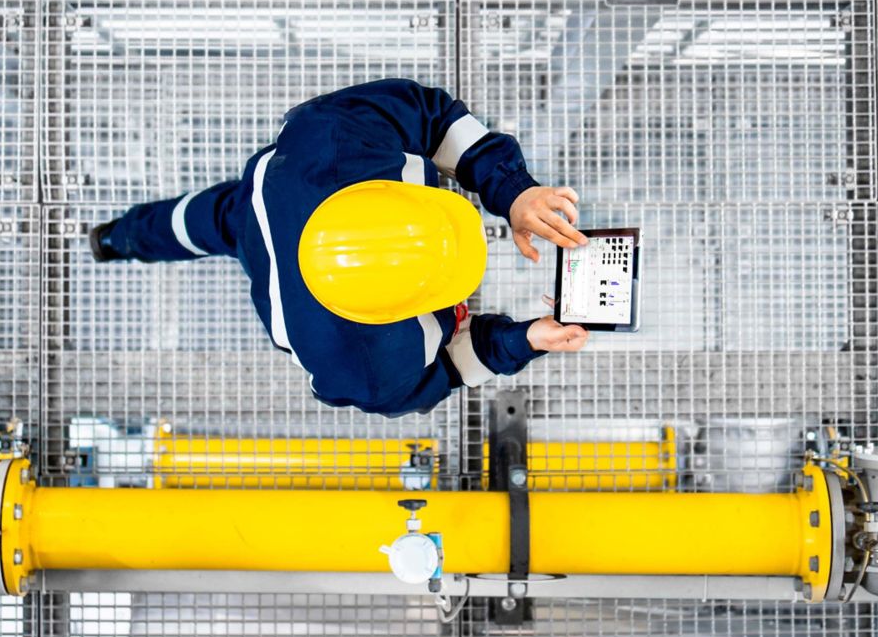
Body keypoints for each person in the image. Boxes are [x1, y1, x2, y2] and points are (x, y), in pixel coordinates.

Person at [91, 78, 591, 415]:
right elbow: (451, 370)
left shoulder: (337, 136)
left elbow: (433, 117)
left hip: (268, 199)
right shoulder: (366, 368)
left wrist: (515, 191)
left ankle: (117, 238)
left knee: (195, 222)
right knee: (204, 221)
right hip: (264, 222)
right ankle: (115, 238)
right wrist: (524, 340)